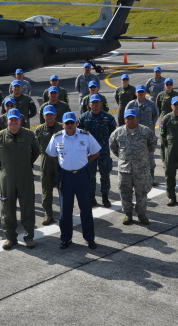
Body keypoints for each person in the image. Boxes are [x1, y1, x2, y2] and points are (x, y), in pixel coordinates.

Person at [46, 111, 100, 250]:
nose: (70, 125)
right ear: (63, 124)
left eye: (72, 122)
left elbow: (95, 152)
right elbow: (52, 155)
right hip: (65, 176)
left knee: (86, 208)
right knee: (65, 209)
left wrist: (83, 161)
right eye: (67, 123)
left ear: (77, 123)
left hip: (82, 175)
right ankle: (66, 238)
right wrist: (64, 164)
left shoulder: (85, 135)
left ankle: (89, 238)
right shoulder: (57, 138)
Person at [0, 109, 42, 250]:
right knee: (7, 206)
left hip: (25, 175)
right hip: (7, 176)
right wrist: (6, 165)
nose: (13, 122)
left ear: (21, 120)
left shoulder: (30, 134)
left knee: (27, 206)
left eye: (16, 119)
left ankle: (29, 237)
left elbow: (36, 151)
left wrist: (26, 164)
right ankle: (10, 237)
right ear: (7, 120)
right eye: (11, 119)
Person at [109, 109, 157, 225]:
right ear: (124, 119)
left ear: (137, 118)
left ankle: (141, 214)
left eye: (132, 118)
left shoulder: (145, 131)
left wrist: (143, 157)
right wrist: (122, 157)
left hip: (141, 169)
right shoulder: (118, 132)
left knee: (142, 193)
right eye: (128, 118)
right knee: (125, 192)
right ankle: (128, 214)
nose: (130, 120)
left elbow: (152, 145)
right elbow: (113, 146)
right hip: (124, 169)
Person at [78, 94, 117, 208]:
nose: (95, 104)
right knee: (90, 175)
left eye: (97, 102)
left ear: (101, 103)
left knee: (105, 174)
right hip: (89, 152)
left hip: (103, 151)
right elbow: (79, 134)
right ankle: (92, 198)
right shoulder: (84, 118)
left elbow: (112, 131)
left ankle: (105, 197)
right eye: (93, 102)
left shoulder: (108, 117)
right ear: (89, 104)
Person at [125, 85, 160, 186]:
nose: (140, 94)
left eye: (142, 92)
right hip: (134, 135)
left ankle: (152, 176)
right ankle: (135, 178)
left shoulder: (151, 104)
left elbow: (155, 115)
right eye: (139, 92)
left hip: (148, 135)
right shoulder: (131, 105)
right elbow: (126, 118)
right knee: (134, 156)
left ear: (145, 93)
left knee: (150, 155)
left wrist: (150, 125)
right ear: (136, 93)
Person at [34, 105, 63, 225]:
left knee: (63, 190)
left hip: (60, 164)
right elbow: (35, 147)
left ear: (55, 115)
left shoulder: (62, 128)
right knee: (46, 190)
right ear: (43, 116)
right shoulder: (39, 130)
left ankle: (64, 213)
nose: (49, 116)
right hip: (46, 164)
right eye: (47, 114)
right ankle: (48, 214)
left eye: (51, 114)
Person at [155, 78, 176, 164]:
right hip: (163, 122)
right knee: (163, 141)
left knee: (173, 141)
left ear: (172, 85)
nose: (168, 86)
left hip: (174, 121)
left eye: (170, 84)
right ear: (164, 85)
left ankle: (173, 159)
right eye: (167, 84)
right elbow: (158, 107)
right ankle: (164, 160)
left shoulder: (176, 94)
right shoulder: (160, 95)